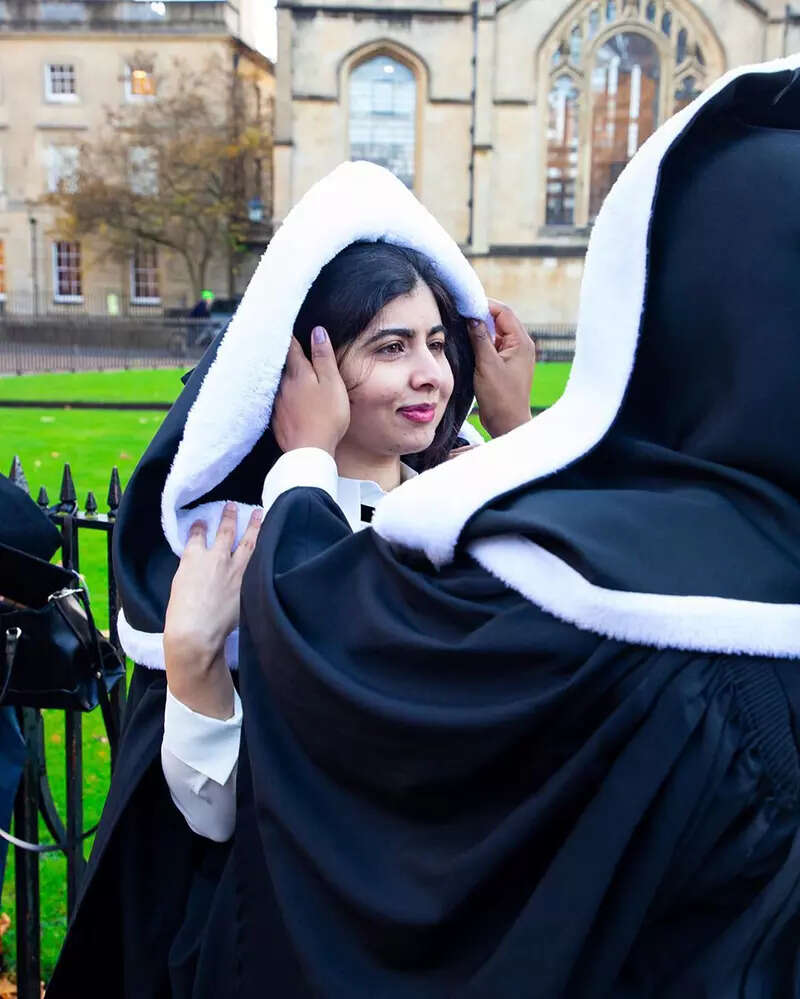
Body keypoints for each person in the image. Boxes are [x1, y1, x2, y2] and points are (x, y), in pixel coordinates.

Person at [46, 161, 534, 997]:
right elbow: (214, 820)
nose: (429, 373)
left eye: (437, 344)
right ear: (304, 372)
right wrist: (197, 670)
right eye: (390, 346)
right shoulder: (240, 543)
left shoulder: (469, 507)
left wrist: (516, 426)